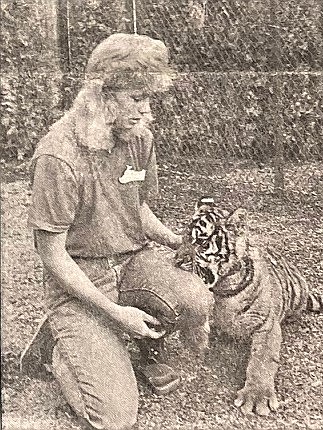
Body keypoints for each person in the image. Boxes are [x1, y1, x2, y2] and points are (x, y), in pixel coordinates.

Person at [25, 33, 212, 430]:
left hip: (132, 263)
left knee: (196, 300)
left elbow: (137, 207)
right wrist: (114, 313)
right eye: (136, 99)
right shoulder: (58, 155)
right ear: (102, 95)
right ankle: (61, 351)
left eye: (149, 99)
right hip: (80, 278)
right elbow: (53, 254)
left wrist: (176, 240)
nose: (147, 111)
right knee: (114, 418)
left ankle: (143, 348)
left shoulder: (138, 138)